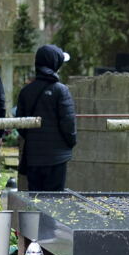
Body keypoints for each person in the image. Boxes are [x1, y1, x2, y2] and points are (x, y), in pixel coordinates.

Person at [15, 45, 77, 191]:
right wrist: (70, 143)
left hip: (33, 157)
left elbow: (21, 125)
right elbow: (68, 124)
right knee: (54, 202)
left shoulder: (26, 91)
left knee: (35, 201)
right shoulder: (61, 91)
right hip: (57, 158)